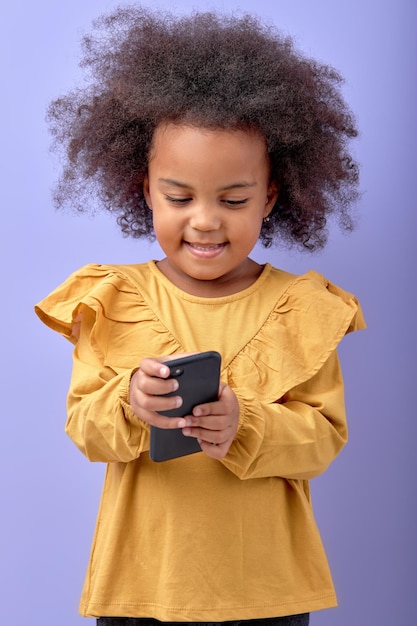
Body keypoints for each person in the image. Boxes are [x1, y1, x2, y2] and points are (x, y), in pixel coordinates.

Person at [35, 6, 366, 626]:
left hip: (266, 590)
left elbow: (322, 440)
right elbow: (84, 428)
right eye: (179, 197)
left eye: (233, 199)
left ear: (270, 195)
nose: (206, 220)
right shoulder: (110, 299)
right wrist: (130, 404)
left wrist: (248, 422)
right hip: (142, 587)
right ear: (144, 190)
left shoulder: (303, 308)